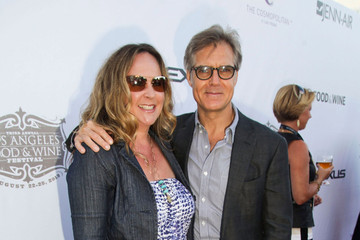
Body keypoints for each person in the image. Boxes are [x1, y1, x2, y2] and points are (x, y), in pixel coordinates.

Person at [67, 25, 293, 239]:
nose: (215, 81)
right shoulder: (173, 135)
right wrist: (78, 136)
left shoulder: (269, 146)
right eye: (203, 70)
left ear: (235, 75)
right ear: (190, 76)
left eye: (225, 70)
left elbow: (278, 231)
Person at [66, 43, 195, 240]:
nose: (150, 93)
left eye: (158, 83)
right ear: (115, 88)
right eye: (138, 82)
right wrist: (76, 137)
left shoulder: (166, 141)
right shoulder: (96, 153)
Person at [273, 84, 333, 240]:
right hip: (295, 229)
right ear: (299, 111)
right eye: (309, 109)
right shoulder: (297, 145)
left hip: (275, 226)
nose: (310, 116)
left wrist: (310, 197)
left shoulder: (272, 140)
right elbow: (300, 196)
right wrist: (321, 177)